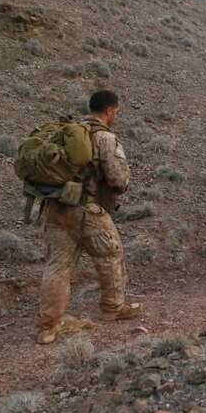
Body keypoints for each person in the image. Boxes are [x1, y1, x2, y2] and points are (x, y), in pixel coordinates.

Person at [36, 89, 140, 345]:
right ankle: (113, 307)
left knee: (58, 267)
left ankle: (48, 327)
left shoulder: (69, 133)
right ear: (109, 111)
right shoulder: (105, 137)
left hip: (55, 209)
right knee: (110, 253)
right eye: (117, 111)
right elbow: (118, 178)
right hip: (87, 209)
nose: (116, 116)